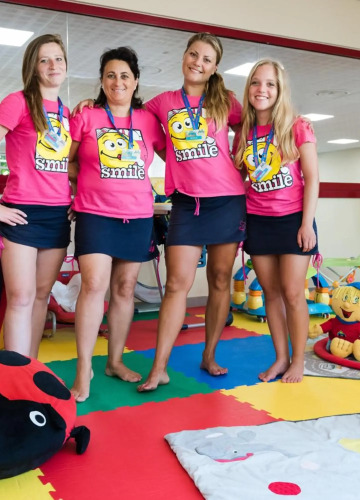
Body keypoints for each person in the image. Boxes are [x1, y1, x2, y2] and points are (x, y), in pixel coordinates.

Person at [138, 32, 246, 391]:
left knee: (220, 280)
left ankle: (209, 355)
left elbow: (251, 127)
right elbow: (130, 117)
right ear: (184, 56)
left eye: (206, 59)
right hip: (186, 203)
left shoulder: (225, 101)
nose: (198, 63)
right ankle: (159, 367)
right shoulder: (163, 102)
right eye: (193, 54)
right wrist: (90, 104)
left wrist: (241, 161)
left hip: (227, 201)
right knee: (175, 285)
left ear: (214, 68)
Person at [68, 47, 165, 402]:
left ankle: (114, 361)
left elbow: (175, 156)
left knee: (125, 289)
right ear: (101, 81)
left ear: (135, 81)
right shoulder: (86, 116)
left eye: (124, 75)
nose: (117, 81)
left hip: (137, 215)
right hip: (95, 214)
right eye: (110, 75)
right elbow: (65, 161)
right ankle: (84, 369)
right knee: (94, 285)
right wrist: (80, 186)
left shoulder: (148, 121)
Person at [0, 34, 72, 359]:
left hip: (57, 215)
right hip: (21, 214)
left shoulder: (66, 112)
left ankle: (30, 370)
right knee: (22, 298)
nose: (53, 65)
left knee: (41, 297)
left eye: (58, 58)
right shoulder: (19, 102)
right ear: (33, 67)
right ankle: (13, 375)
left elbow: (71, 165)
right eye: (44, 60)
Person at [233, 59, 319, 383]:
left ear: (280, 90)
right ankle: (280, 358)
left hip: (293, 220)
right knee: (270, 293)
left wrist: (307, 224)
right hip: (259, 220)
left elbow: (312, 178)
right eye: (256, 82)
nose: (262, 89)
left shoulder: (298, 126)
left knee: (293, 293)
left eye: (270, 84)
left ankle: (298, 360)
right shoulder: (244, 132)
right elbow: (238, 178)